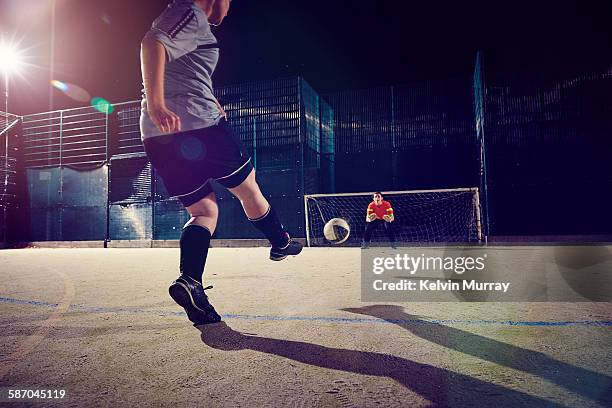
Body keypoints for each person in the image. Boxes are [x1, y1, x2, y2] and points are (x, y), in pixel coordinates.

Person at [139, 0, 302, 325]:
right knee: (248, 188)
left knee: (204, 212)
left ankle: (191, 282)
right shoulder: (190, 12)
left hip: (159, 136)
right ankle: (280, 241)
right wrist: (157, 102)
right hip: (198, 128)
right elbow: (152, 43)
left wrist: (209, 100)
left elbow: (178, 67)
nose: (229, 7)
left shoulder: (186, 20)